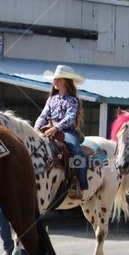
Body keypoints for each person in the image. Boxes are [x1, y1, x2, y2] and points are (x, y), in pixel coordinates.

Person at [34, 64, 88, 199]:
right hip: (48, 128)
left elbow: (70, 118)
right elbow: (43, 115)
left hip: (67, 131)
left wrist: (56, 128)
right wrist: (35, 128)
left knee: (76, 150)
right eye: (54, 79)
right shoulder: (51, 99)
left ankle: (81, 184)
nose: (55, 81)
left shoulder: (73, 100)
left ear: (66, 81)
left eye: (58, 79)